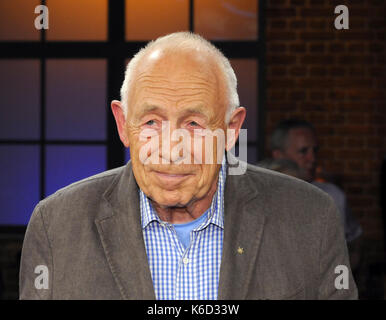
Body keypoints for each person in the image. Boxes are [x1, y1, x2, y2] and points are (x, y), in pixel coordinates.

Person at [19, 32, 357, 300]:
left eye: (194, 124)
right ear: (123, 125)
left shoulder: (310, 217)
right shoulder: (56, 226)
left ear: (231, 130)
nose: (171, 149)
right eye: (151, 121)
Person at [270, 119, 362, 243]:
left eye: (315, 151)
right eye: (303, 151)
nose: (312, 158)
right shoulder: (262, 197)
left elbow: (354, 242)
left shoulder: (333, 196)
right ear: (279, 156)